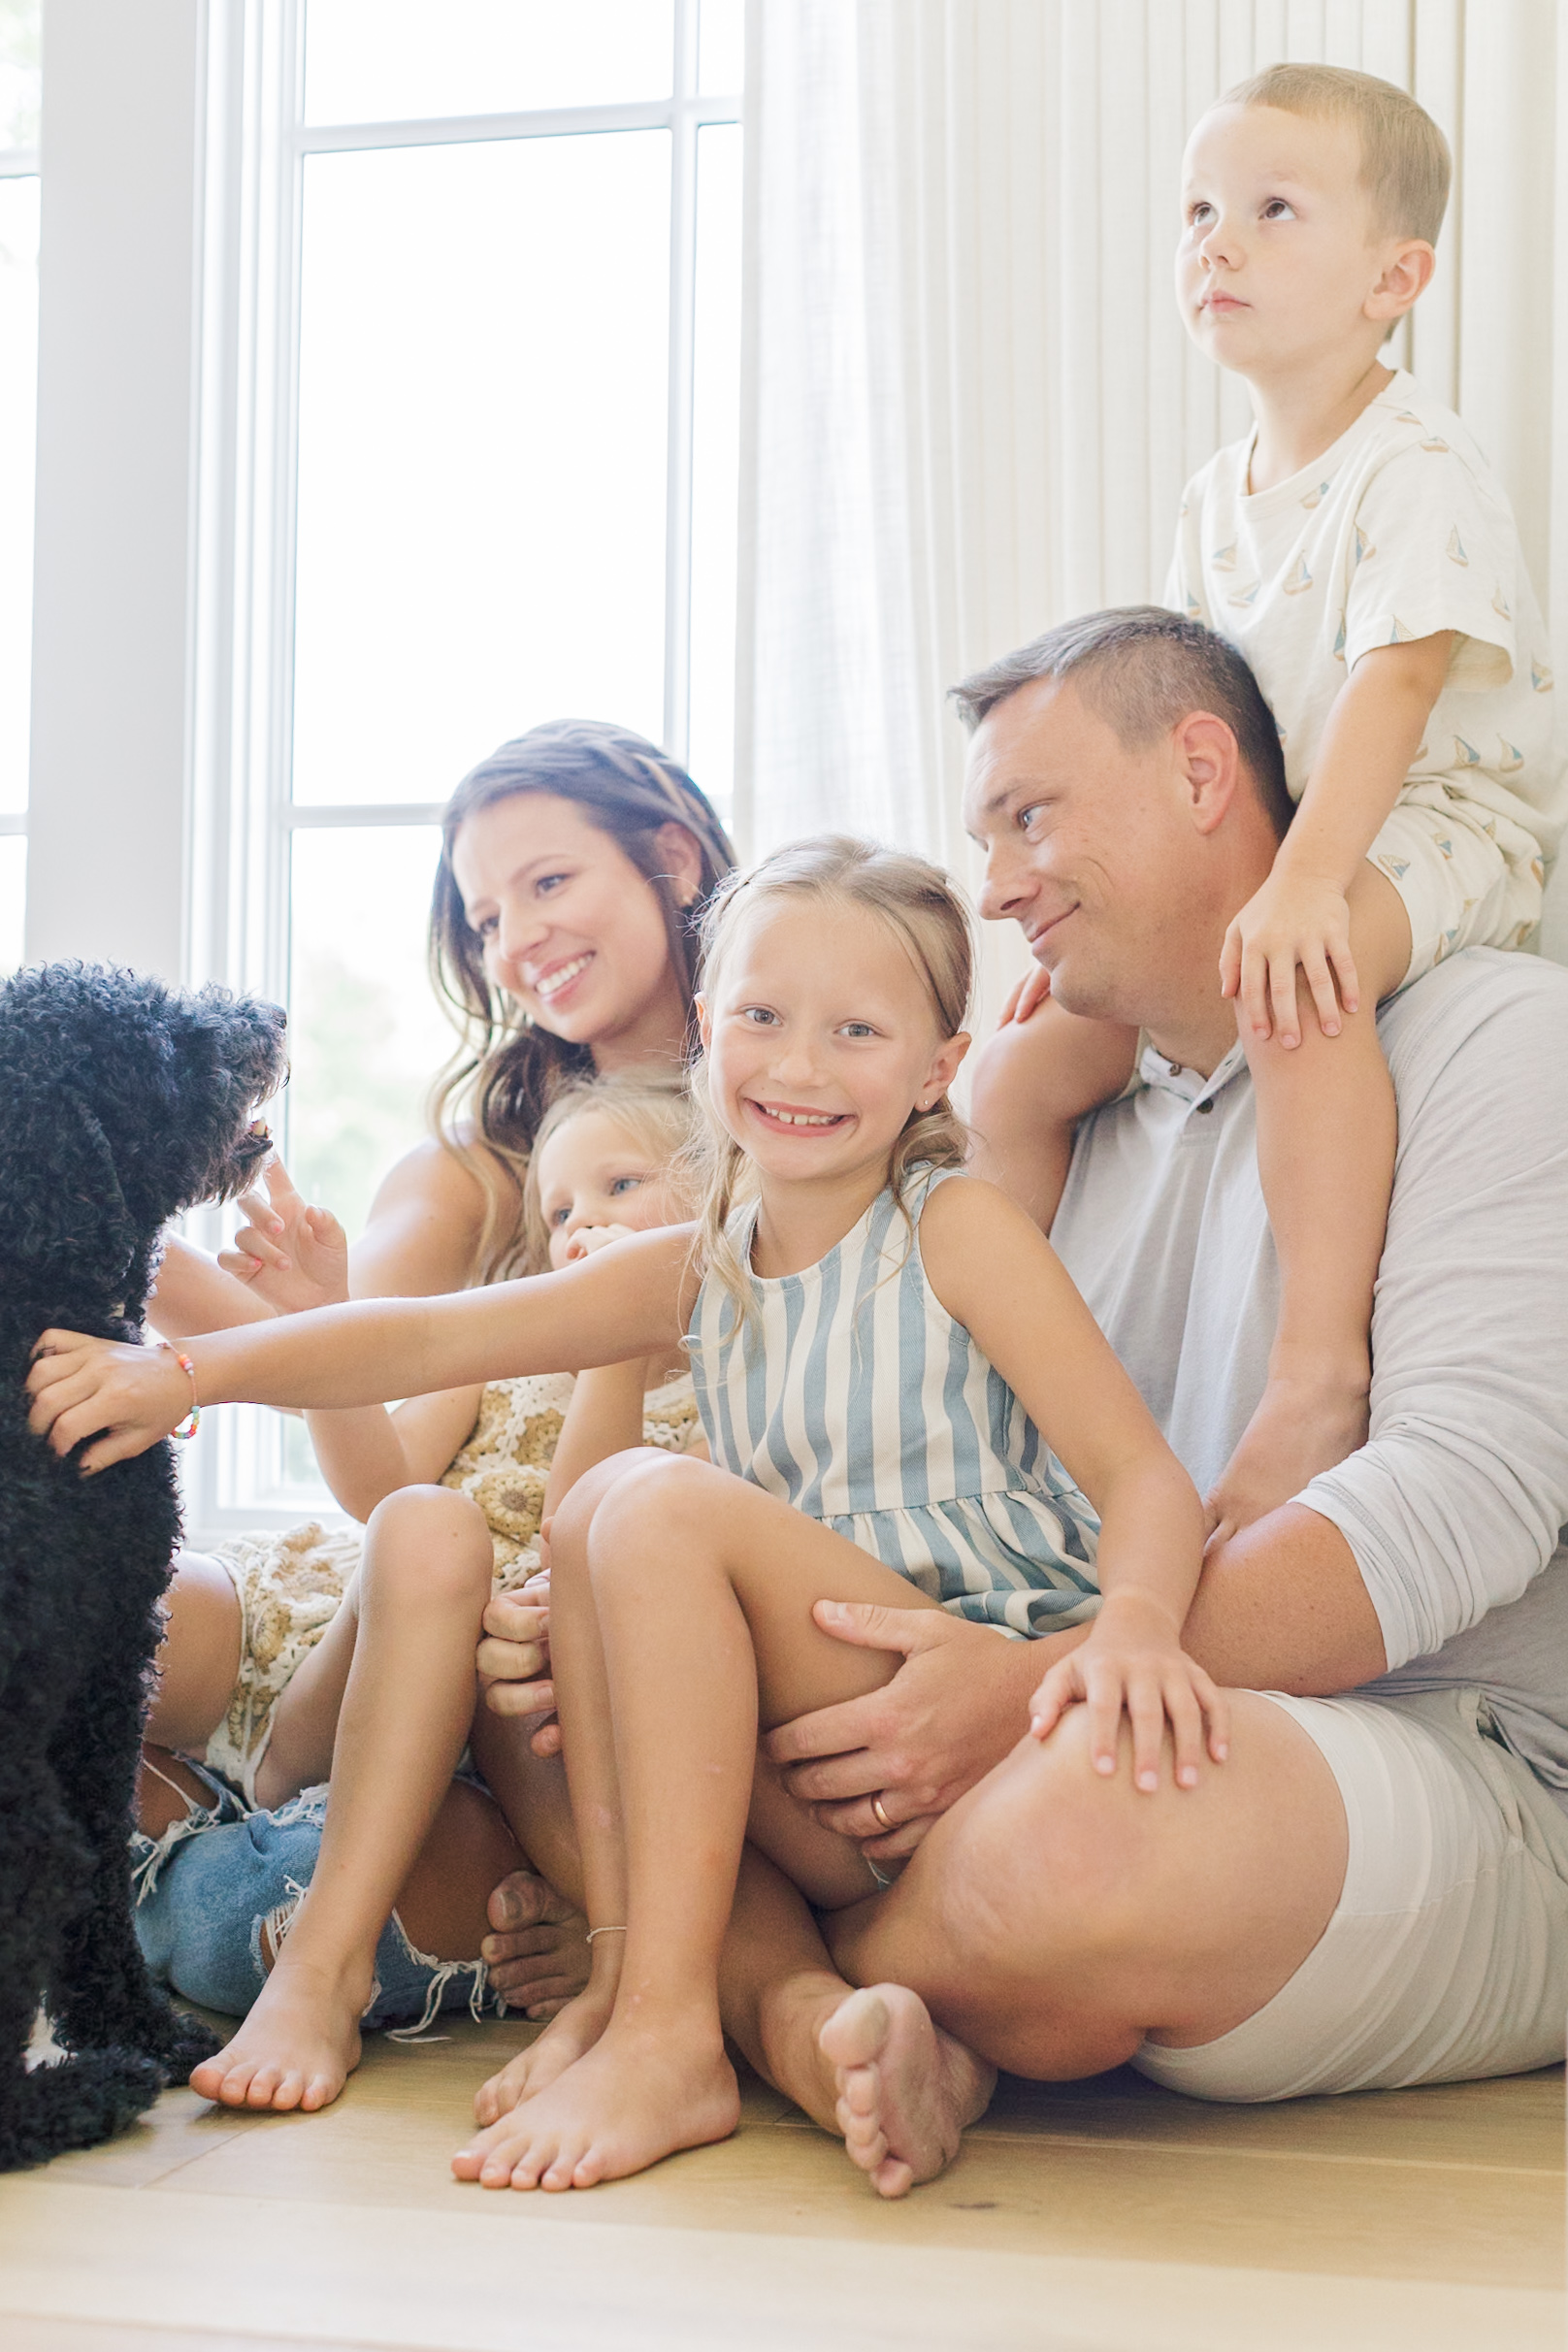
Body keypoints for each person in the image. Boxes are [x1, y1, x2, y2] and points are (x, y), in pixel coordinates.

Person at [32, 834, 1225, 2192]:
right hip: (818, 1775)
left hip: (949, 1715)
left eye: (856, 1030)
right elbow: (425, 1340)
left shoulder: (952, 1226)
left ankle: (663, 2032)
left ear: (938, 1067)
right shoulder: (705, 1258)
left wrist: (1131, 1630)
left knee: (634, 1503)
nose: (797, 1065)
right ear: (709, 1032)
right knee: (520, 1660)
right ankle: (817, 2034)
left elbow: (1142, 1481)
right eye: (763, 1020)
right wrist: (184, 1372)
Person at [975, 65, 1566, 1540]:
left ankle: (1313, 1376)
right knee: (1021, 1073)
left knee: (1301, 993)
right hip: (1306, 827)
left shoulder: (1414, 463)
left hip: (1436, 816)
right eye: (1197, 213)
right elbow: (1191, 714)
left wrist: (1307, 887)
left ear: (1395, 277)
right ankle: (990, 1375)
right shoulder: (1215, 490)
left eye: (1270, 211)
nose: (1215, 246)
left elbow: (1396, 688)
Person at [140, 718, 736, 2021]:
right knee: (91, 1626)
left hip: (514, 1687)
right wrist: (205, 1293)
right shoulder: (470, 1168)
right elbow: (366, 1407)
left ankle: (208, 1874)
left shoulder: (796, 1138)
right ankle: (184, 1847)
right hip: (352, 1608)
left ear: (674, 860)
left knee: (333, 1861)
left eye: (549, 881)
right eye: (483, 914)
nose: (515, 937)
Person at [133, 1072, 706, 2111]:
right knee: (421, 1521)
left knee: (449, 1538)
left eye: (621, 1187)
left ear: (718, 1204)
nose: (586, 1225)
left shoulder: (731, 1395)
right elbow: (378, 1482)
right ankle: (238, 1792)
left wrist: (614, 1351)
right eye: (563, 1211)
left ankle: (321, 1964)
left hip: (464, 1720)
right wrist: (322, 1323)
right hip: (328, 1649)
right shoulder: (512, 1350)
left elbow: (585, 1538)